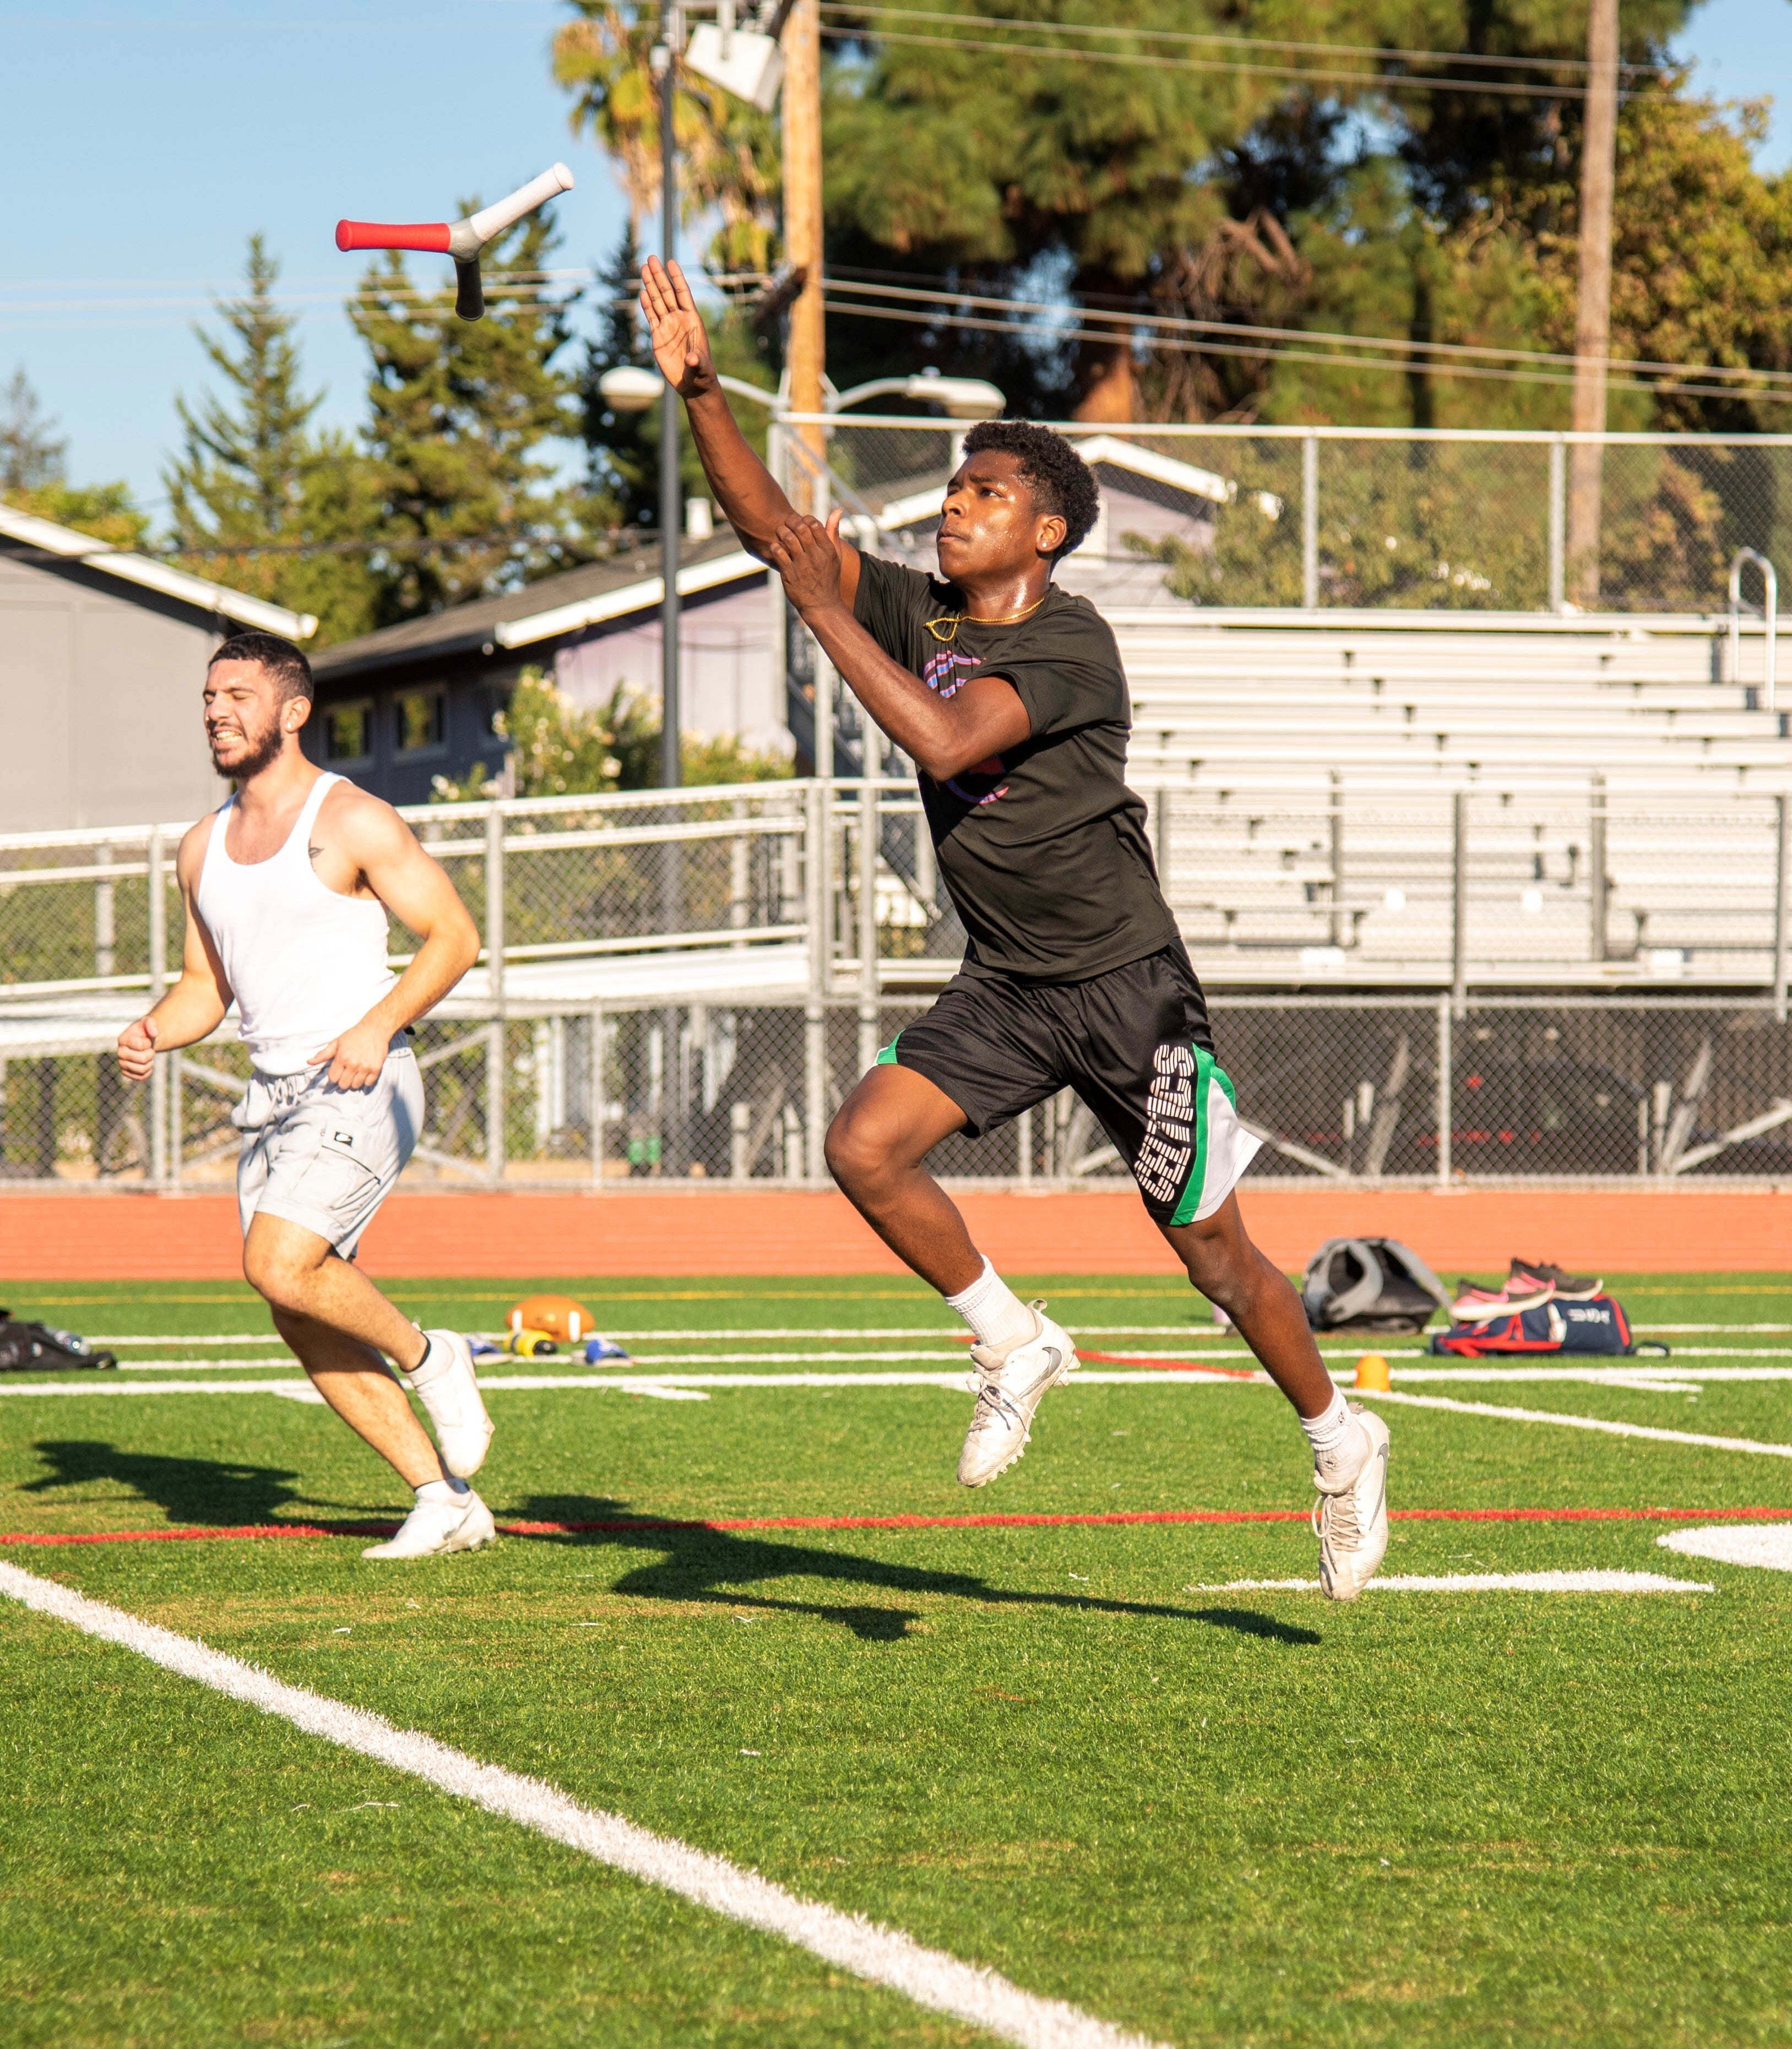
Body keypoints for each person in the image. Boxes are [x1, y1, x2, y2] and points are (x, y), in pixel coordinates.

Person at [639, 257, 1391, 1599]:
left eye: (988, 492)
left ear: (1044, 532)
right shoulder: (920, 610)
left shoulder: (1072, 645)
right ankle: (1011, 1338)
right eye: (956, 484)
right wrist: (701, 392)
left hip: (1127, 991)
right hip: (1008, 982)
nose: (956, 502)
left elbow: (938, 734)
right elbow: (777, 533)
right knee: (863, 1144)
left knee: (1216, 1257)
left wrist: (821, 613)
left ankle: (1341, 1444)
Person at [117, 632, 497, 1560]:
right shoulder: (201, 846)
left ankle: (432, 1356)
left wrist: (376, 1023)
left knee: (279, 1262)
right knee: (298, 1303)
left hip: (362, 1077)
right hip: (272, 1095)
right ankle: (441, 1500)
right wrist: (154, 1029)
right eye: (210, 696)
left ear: (291, 711)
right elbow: (208, 987)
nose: (217, 710)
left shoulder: (354, 818)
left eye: (238, 694)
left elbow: (454, 936)